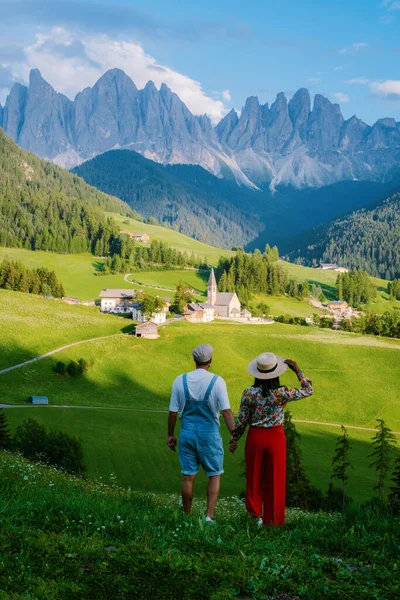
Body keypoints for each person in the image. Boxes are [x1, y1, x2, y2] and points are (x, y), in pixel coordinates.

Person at [229, 352, 313, 526]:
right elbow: (308, 390)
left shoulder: (249, 393)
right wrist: (298, 370)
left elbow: (242, 420)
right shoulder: (282, 392)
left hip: (255, 436)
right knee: (275, 477)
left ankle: (254, 517)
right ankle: (274, 519)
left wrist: (235, 439)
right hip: (275, 436)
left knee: (253, 477)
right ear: (276, 373)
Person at [167, 344, 235, 522]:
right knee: (214, 474)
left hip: (187, 433)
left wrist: (170, 434)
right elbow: (226, 411)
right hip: (209, 435)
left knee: (188, 476)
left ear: (194, 360)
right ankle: (209, 516)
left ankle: (187, 514)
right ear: (210, 361)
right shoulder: (217, 381)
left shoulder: (179, 380)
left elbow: (173, 412)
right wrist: (234, 435)